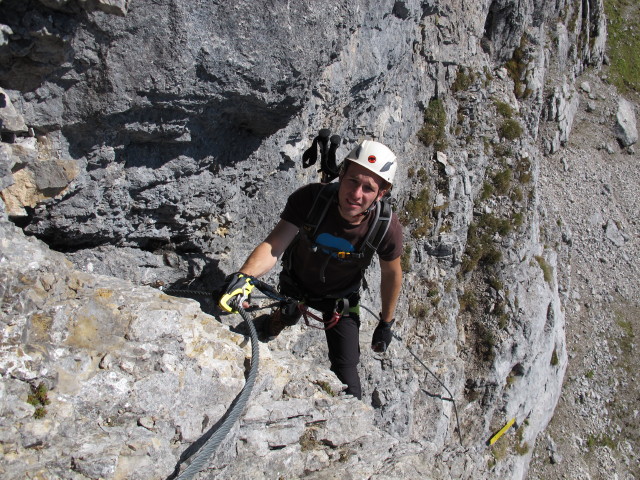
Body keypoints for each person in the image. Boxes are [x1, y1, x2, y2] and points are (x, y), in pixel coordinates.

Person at [218, 139, 403, 399]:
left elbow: (392, 274)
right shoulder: (311, 199)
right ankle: (281, 319)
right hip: (295, 283)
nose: (356, 194)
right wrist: (244, 277)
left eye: (368, 188)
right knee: (289, 311)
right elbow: (275, 244)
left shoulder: (386, 227)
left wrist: (386, 322)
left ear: (381, 193)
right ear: (342, 174)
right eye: (352, 181)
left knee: (348, 375)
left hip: (341, 300)